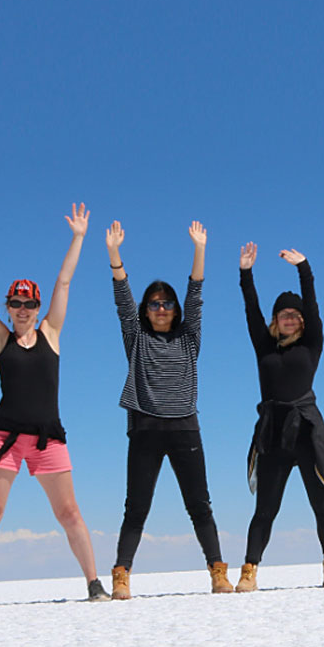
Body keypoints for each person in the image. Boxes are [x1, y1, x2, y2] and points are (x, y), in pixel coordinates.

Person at [0, 205, 109, 606]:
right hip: (5, 437)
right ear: (9, 307)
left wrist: (79, 237)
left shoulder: (51, 333)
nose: (22, 309)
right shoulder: (1, 339)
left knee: (69, 513)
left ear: (37, 308)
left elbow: (64, 281)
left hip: (48, 437)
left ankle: (93, 583)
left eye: (29, 304)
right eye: (16, 303)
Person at [105, 220, 232, 598]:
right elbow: (122, 301)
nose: (161, 309)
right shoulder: (136, 338)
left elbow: (196, 294)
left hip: (184, 427)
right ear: (146, 311)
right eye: (154, 304)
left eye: (167, 303)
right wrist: (114, 254)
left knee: (199, 505)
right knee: (136, 507)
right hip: (145, 427)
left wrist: (200, 249)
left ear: (175, 310)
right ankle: (122, 574)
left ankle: (217, 572)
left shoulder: (189, 337)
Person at [233, 242, 324, 592]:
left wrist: (304, 268)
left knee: (321, 501)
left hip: (306, 430)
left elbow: (313, 304)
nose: (290, 318)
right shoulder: (263, 347)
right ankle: (249, 570)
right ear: (275, 320)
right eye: (284, 314)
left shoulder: (312, 344)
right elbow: (251, 309)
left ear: (302, 321)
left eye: (295, 315)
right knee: (265, 509)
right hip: (273, 433)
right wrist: (246, 273)